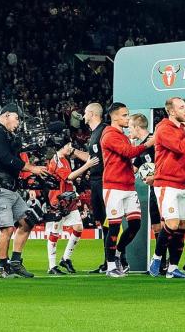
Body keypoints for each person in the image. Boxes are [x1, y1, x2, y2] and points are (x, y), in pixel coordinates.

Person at [0, 105, 51, 279]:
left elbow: (16, 153)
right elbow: (7, 159)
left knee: (27, 222)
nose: (18, 122)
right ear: (6, 115)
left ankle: (16, 262)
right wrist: (32, 169)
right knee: (6, 229)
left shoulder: (7, 135)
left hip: (10, 188)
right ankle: (3, 267)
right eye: (17, 118)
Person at [149, 97, 185, 279]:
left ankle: (173, 268)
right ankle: (157, 258)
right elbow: (182, 148)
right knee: (171, 223)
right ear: (171, 111)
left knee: (181, 226)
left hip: (182, 183)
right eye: (181, 108)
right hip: (167, 183)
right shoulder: (163, 128)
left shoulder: (180, 129)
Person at [99, 102, 154, 277]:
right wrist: (148, 144)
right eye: (124, 115)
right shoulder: (109, 135)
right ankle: (110, 266)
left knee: (135, 224)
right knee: (114, 226)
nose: (127, 118)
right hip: (113, 186)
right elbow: (128, 152)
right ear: (114, 116)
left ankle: (117, 253)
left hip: (128, 186)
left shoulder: (121, 135)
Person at [45, 143, 97, 274]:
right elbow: (69, 177)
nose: (70, 147)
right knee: (55, 232)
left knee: (79, 227)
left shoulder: (65, 159)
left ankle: (65, 258)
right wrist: (87, 165)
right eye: (68, 145)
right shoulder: (57, 160)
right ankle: (52, 266)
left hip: (69, 198)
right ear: (61, 145)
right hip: (58, 200)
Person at [81, 102, 107, 273]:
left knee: (109, 221)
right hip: (96, 181)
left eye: (85, 113)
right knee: (103, 221)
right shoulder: (94, 134)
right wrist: (75, 151)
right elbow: (92, 158)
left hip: (105, 180)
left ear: (91, 114)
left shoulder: (104, 131)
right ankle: (108, 260)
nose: (83, 116)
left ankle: (117, 259)